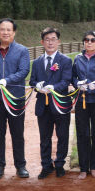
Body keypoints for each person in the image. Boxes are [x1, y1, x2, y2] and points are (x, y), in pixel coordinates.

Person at [0, 18, 31, 179]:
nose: (6, 32)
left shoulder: (22, 50)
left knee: (17, 133)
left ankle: (20, 165)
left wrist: (6, 80)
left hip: (15, 98)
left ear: (14, 32)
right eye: (3, 29)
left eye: (9, 30)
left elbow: (23, 71)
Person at [29, 27, 73, 180]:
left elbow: (66, 80)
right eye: (47, 39)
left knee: (62, 136)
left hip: (61, 104)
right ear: (42, 42)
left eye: (53, 39)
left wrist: (53, 87)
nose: (50, 42)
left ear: (58, 41)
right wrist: (38, 86)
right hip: (43, 106)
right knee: (45, 137)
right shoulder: (37, 62)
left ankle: (60, 164)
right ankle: (46, 165)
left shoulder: (66, 60)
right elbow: (32, 81)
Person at [71, 30, 95, 179]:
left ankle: (94, 165)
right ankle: (83, 166)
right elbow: (73, 76)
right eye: (86, 40)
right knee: (82, 134)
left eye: (92, 40)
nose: (89, 42)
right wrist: (77, 83)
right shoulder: (78, 58)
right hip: (82, 100)